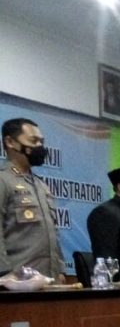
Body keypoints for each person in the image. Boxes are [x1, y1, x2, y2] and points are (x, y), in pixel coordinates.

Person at [0, 118, 64, 279]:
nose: (39, 146)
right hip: (16, 281)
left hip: (49, 278)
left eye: (41, 142)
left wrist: (60, 270)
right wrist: (4, 274)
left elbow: (53, 232)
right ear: (10, 142)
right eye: (33, 141)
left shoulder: (41, 185)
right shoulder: (3, 180)